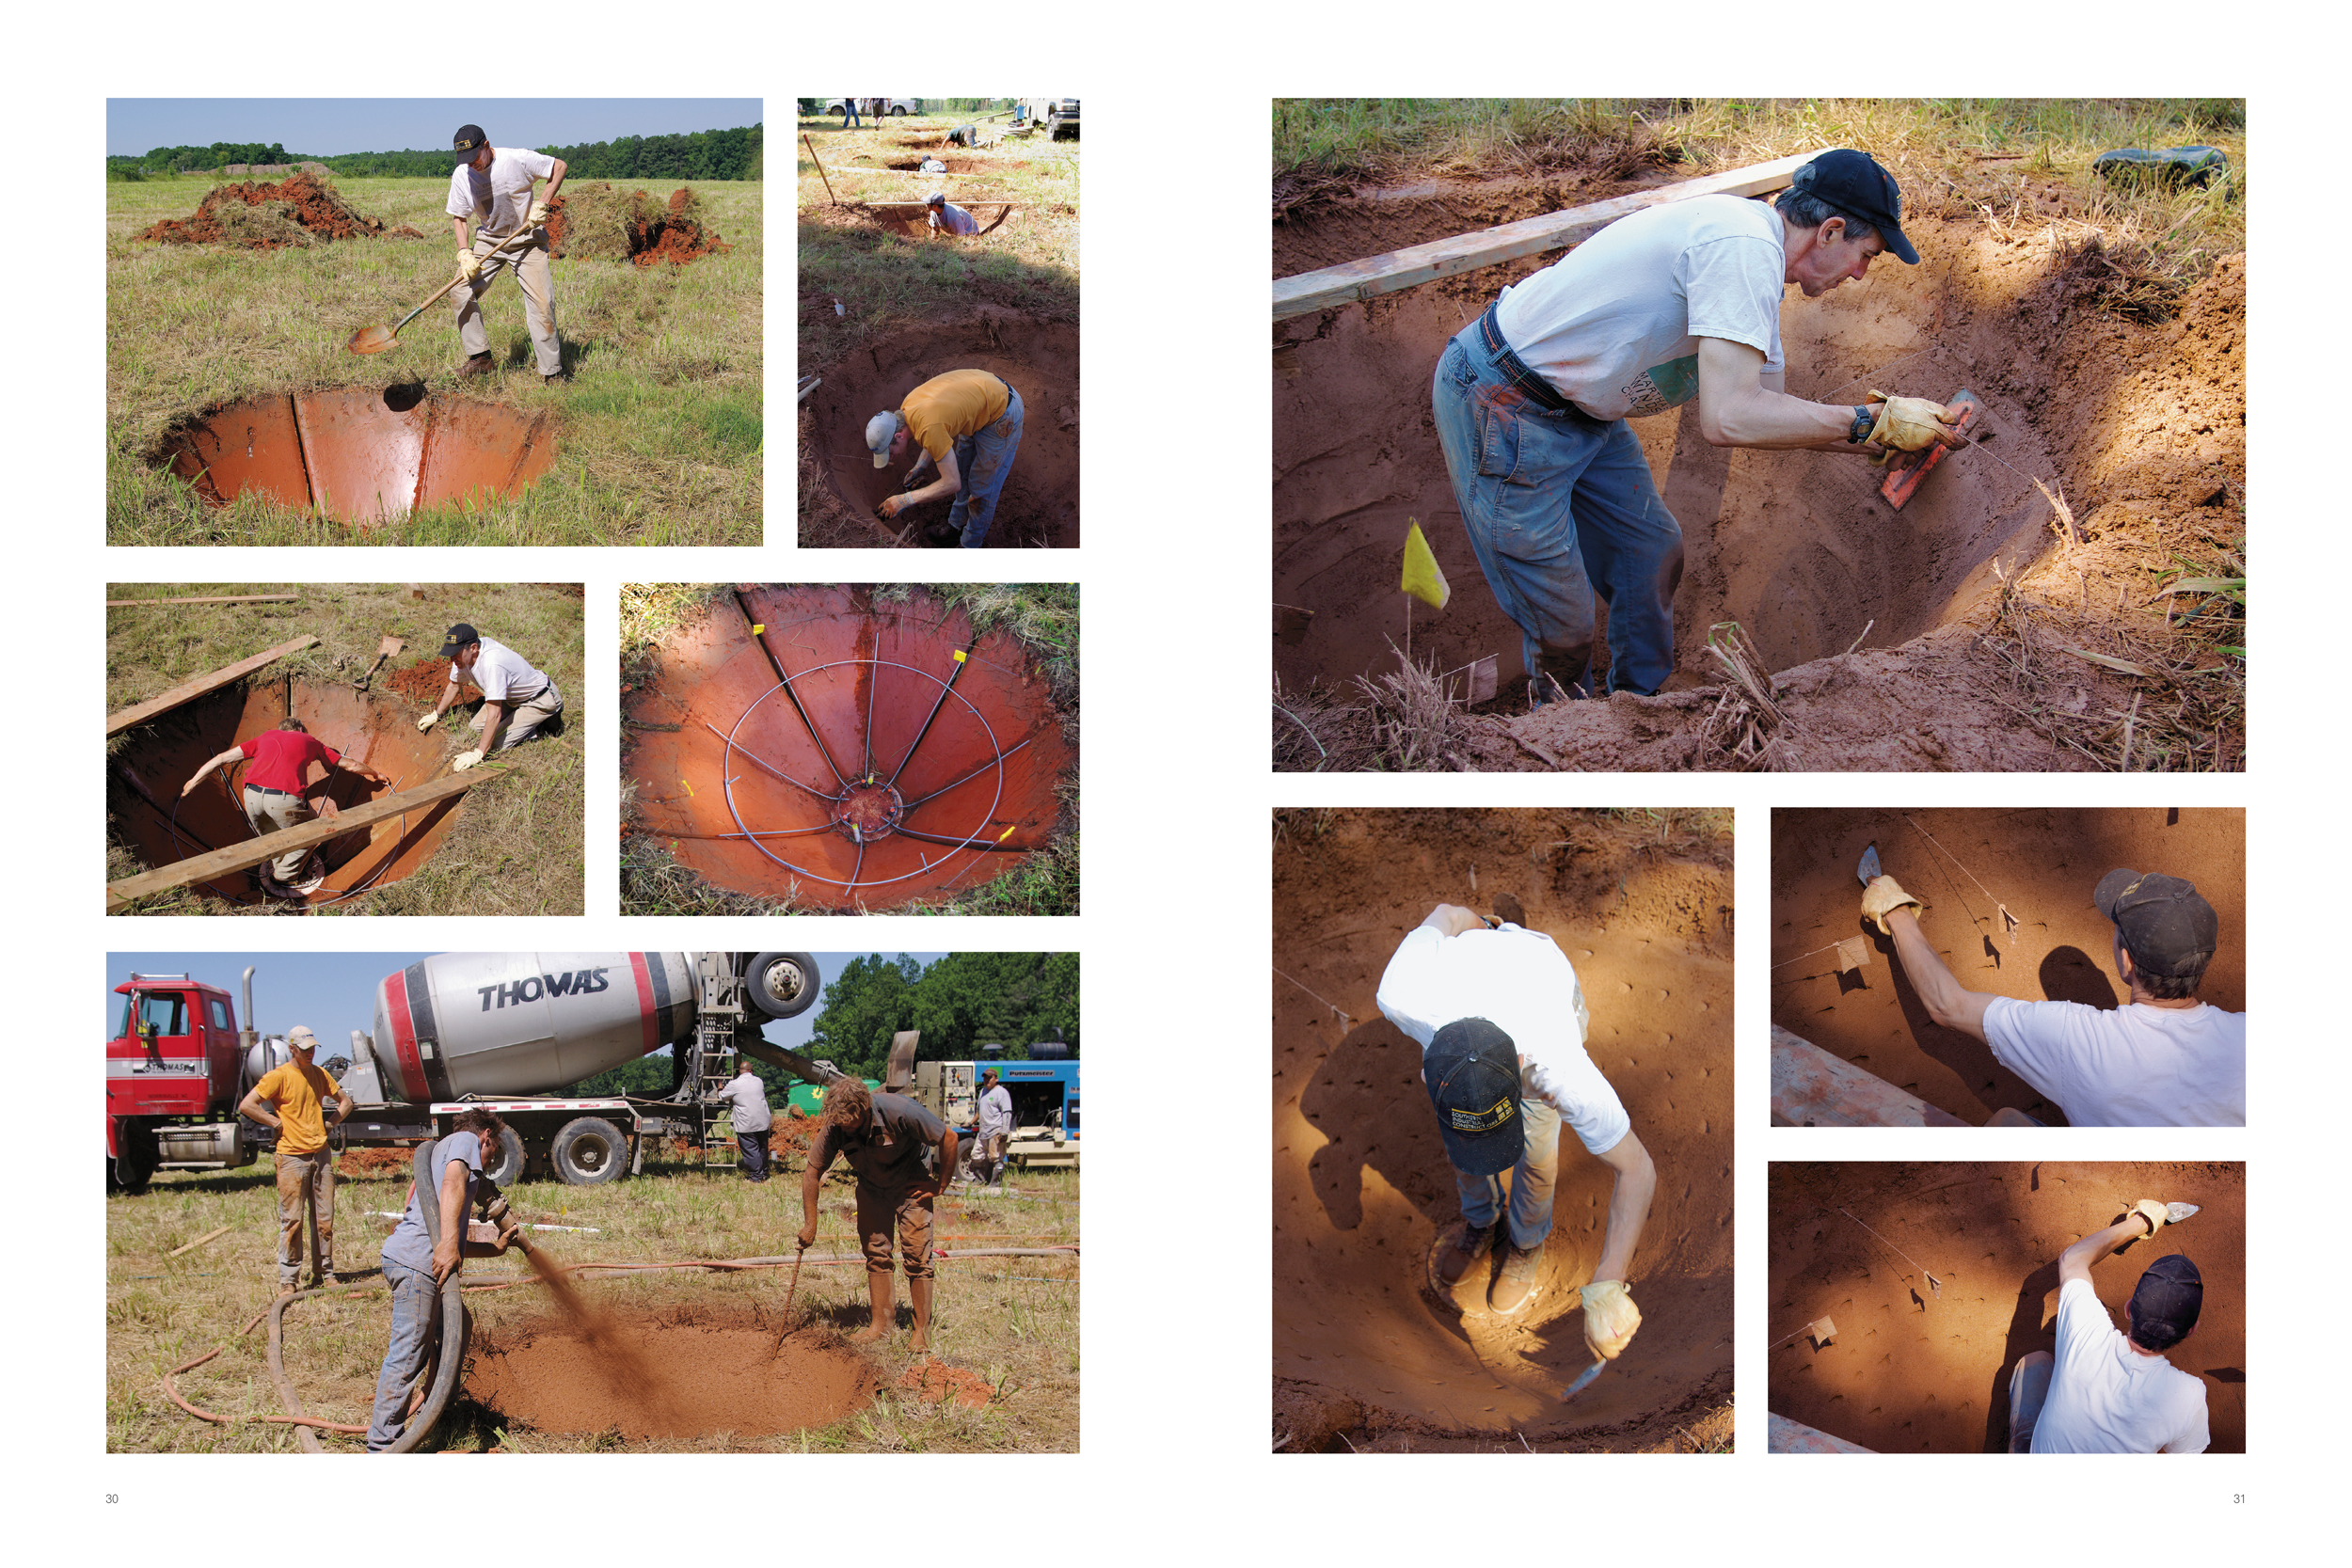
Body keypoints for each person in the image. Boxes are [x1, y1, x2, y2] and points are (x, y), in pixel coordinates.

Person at [1432, 149, 1968, 704]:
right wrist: (1870, 424)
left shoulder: (1754, 267)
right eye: (1867, 255)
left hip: (1584, 413)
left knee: (1651, 554)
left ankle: (1639, 707)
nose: (1860, 273)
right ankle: (1569, 734)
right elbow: (1730, 418)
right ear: (1830, 231)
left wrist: (1885, 436)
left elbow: (1770, 415)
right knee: (1563, 624)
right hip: (1506, 402)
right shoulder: (1741, 247)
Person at [1375, 900, 1656, 1356]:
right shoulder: (1403, 994)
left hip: (1543, 983)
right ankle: (1481, 1220)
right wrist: (1486, 927)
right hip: (1479, 989)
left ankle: (1526, 1243)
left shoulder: (1554, 1061)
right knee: (1461, 1146)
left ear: (1522, 1067)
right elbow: (1447, 914)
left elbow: (1638, 1169)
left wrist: (1609, 1279)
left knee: (1537, 1151)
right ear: (1430, 1074)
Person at [1862, 863, 2245, 1125]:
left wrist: (1895, 911)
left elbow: (1947, 1005)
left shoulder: (2075, 1038)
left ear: (2126, 962)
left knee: (2008, 1126)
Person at [365, 1109, 517, 1451]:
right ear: (487, 1137)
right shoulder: (464, 1143)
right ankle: (381, 1446)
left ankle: (439, 1403)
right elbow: (453, 1184)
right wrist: (448, 1243)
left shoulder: (440, 1150)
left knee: (456, 1323)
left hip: (415, 1256)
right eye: (494, 1149)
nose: (492, 1159)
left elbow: (450, 1234)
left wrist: (494, 1248)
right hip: (419, 1263)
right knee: (408, 1355)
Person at [2005, 1202, 2209, 1453]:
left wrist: (2142, 1222)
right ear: (2192, 1329)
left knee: (2035, 1363)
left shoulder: (2088, 1334)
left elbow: (2072, 1259)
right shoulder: (2189, 1396)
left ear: (2128, 1308)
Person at [797, 1077, 959, 1352]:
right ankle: (881, 1326)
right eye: (842, 1124)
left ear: (865, 1108)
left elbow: (949, 1137)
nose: (846, 1128)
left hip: (911, 1186)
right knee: (876, 1254)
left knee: (918, 1256)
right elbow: (812, 1173)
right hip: (872, 1188)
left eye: (852, 1122)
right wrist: (810, 1224)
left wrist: (940, 1185)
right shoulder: (837, 1124)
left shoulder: (900, 1110)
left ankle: (921, 1331)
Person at [182, 716, 391, 895]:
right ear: (300, 729)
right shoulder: (309, 740)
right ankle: (282, 878)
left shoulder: (264, 737)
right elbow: (351, 764)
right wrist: (375, 773)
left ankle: (279, 862)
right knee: (311, 833)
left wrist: (193, 781)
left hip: (252, 796)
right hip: (283, 798)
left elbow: (221, 758)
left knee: (272, 837)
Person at [446, 122, 568, 386]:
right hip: (489, 241)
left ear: (487, 147)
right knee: (459, 290)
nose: (471, 165)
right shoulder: (462, 174)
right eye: (465, 160)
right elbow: (459, 218)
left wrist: (543, 202)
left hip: (527, 239)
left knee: (541, 305)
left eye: (474, 158)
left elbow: (559, 166)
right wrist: (465, 252)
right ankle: (480, 358)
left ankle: (552, 372)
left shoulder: (516, 159)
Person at [238, 1026, 355, 1292]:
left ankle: (325, 1273)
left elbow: (345, 1103)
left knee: (324, 1220)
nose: (310, 1053)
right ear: (291, 1049)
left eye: (313, 1048)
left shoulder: (319, 1074)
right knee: (293, 1221)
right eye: (305, 1050)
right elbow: (247, 1105)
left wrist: (329, 1124)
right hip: (291, 1156)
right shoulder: (278, 1077)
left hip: (321, 1154)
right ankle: (289, 1279)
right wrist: (275, 1122)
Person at [866, 369, 1025, 547]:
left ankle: (969, 545)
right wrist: (920, 466)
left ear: (898, 437)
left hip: (1002, 413)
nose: (892, 456)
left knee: (982, 490)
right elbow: (935, 429)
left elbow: (951, 483)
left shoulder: (928, 426)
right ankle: (955, 527)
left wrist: (904, 500)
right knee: (963, 469)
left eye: (890, 452)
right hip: (979, 400)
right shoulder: (908, 408)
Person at [417, 622, 565, 767]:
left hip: (538, 699)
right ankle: (519, 722)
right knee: (474, 728)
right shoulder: (463, 659)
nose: (451, 659)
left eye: (455, 654)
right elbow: (454, 685)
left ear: (474, 648)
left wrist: (479, 753)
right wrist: (436, 714)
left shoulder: (492, 664)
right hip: (509, 697)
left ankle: (543, 723)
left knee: (494, 744)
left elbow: (494, 714)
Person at [708, 1058, 772, 1182]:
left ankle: (755, 1177)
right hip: (763, 1120)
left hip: (746, 1122)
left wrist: (720, 1083)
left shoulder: (734, 1084)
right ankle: (764, 1173)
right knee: (762, 1148)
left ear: (739, 1072)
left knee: (750, 1149)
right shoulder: (759, 1081)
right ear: (751, 1071)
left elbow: (722, 1096)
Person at [971, 1068, 1014, 1188]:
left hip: (995, 1131)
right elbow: (979, 1111)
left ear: (996, 1078)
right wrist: (971, 1122)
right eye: (985, 1078)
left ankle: (995, 1183)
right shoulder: (983, 1092)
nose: (986, 1080)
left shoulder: (1001, 1092)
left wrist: (1005, 1131)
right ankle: (981, 1179)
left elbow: (1007, 1112)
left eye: (990, 1078)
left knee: (995, 1158)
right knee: (976, 1156)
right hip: (983, 1131)